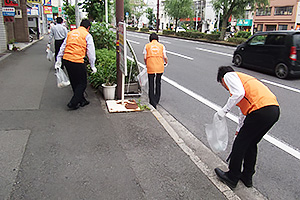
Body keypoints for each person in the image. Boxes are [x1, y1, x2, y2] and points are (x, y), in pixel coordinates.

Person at [214, 66, 280, 188]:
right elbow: (243, 115)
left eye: (222, 84)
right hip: (273, 110)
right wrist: (238, 131)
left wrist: (224, 111)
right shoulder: (244, 82)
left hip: (260, 110)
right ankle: (247, 177)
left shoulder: (229, 75)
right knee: (250, 144)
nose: (224, 86)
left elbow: (238, 93)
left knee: (240, 144)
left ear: (222, 79)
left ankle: (232, 176)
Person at [56, 19, 97, 110]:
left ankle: (82, 100)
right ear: (88, 27)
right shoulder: (87, 35)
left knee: (74, 81)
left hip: (66, 59)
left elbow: (63, 46)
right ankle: (73, 102)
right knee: (82, 83)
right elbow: (91, 52)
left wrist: (58, 59)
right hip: (77, 60)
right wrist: (92, 65)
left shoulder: (71, 33)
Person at [143, 33, 168, 109]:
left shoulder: (147, 46)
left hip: (150, 66)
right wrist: (165, 62)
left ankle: (152, 101)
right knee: (158, 82)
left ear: (150, 39)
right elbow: (165, 57)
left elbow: (145, 57)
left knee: (151, 83)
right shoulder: (161, 46)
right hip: (160, 66)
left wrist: (147, 63)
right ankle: (157, 99)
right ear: (157, 39)